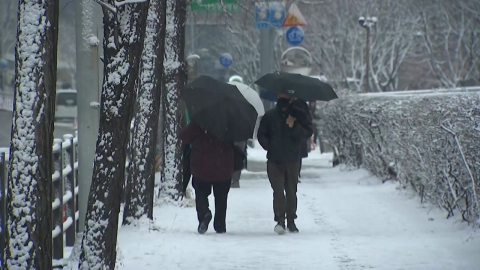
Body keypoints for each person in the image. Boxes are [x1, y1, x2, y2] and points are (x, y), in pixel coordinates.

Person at [257, 93, 313, 234]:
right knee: (278, 191)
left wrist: (294, 126)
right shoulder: (270, 116)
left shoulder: (299, 115)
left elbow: (307, 132)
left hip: (292, 159)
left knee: (291, 190)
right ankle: (280, 219)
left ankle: (291, 220)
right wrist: (270, 145)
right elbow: (261, 134)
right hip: (275, 160)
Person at [178, 122, 234, 234]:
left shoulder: (198, 122)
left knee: (201, 193)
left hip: (201, 166)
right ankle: (220, 224)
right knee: (221, 197)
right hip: (222, 167)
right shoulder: (227, 123)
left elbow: (184, 136)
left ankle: (204, 214)